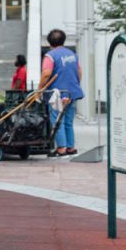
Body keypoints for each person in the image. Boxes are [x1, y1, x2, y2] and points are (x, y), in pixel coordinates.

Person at [40, 29, 83, 157]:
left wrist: (40, 88)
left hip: (57, 94)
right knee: (69, 121)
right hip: (71, 93)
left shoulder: (50, 55)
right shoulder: (72, 54)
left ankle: (61, 149)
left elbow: (46, 73)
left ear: (49, 42)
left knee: (58, 121)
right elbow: (79, 71)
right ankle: (70, 147)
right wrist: (74, 84)